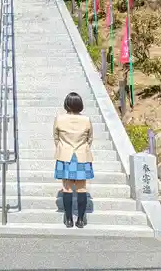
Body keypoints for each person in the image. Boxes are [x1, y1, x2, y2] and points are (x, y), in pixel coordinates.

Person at [53, 92, 94, 228]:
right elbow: (90, 139)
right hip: (82, 154)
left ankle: (69, 219)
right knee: (82, 188)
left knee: (67, 187)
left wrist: (62, 148)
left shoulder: (59, 119)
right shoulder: (86, 120)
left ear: (66, 104)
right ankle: (81, 220)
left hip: (65, 155)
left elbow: (56, 137)